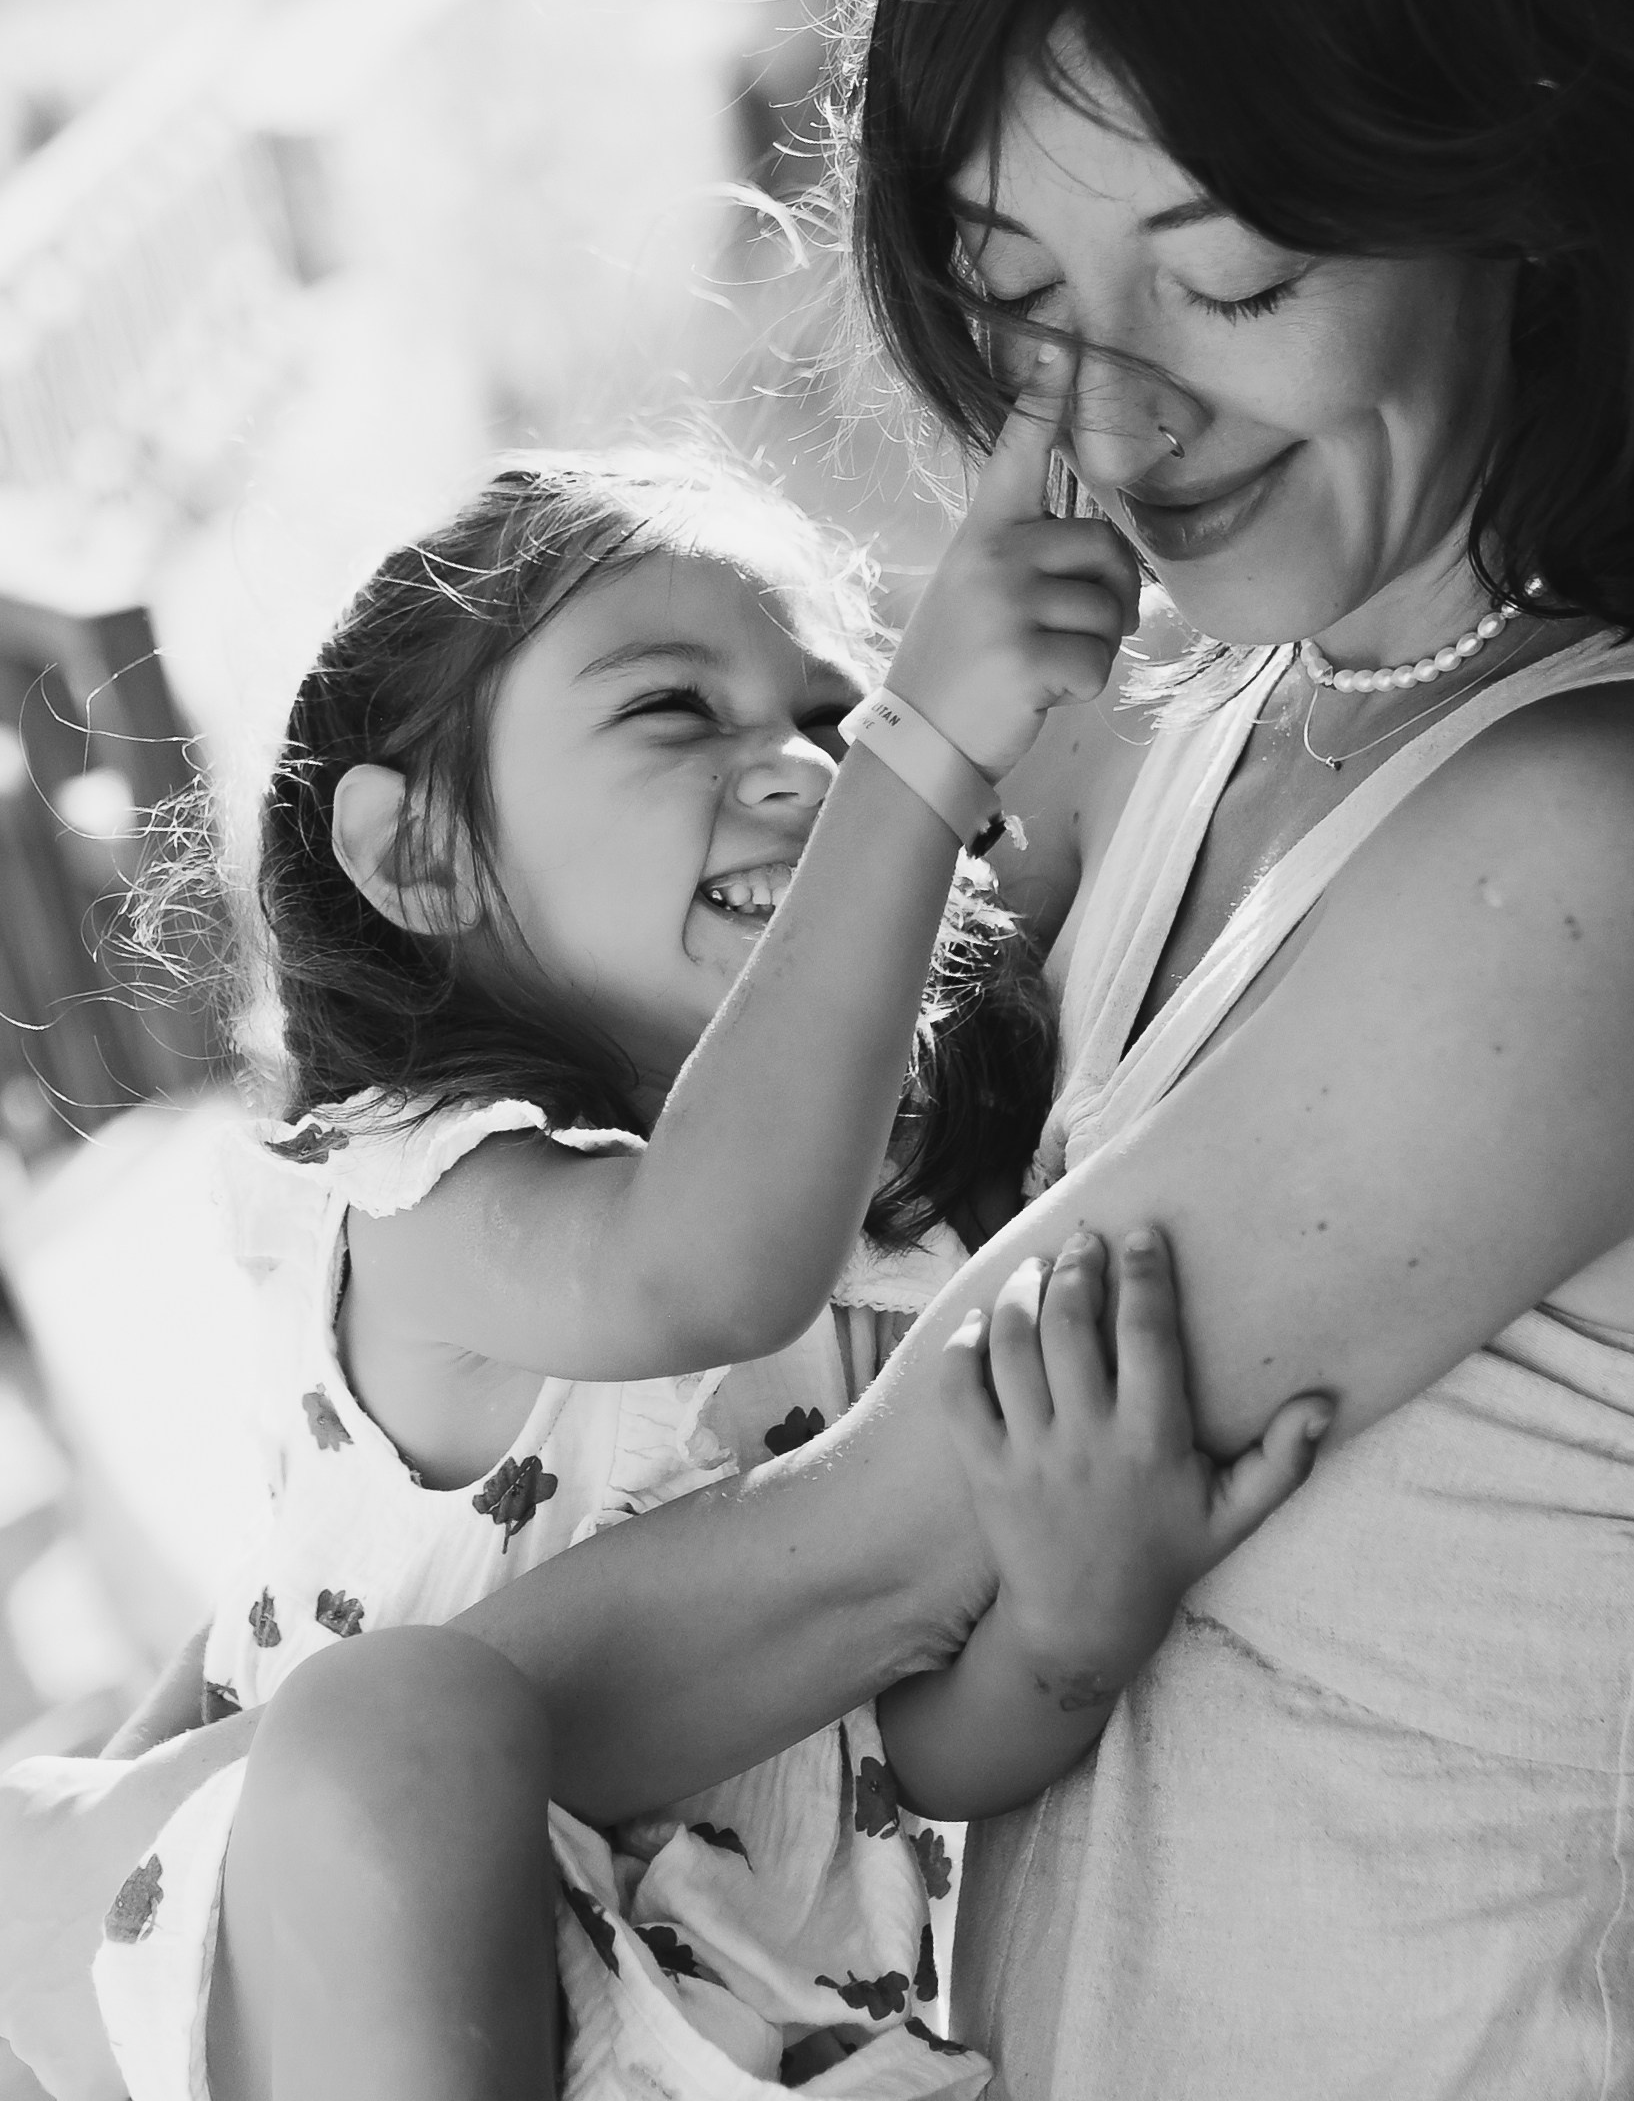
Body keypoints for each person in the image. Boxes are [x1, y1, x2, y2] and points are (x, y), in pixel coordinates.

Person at [11, 0, 1634, 2099]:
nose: (1110, 413)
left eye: (1221, 282)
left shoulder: (1612, 849)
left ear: (1522, 184)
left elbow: (846, 1563)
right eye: (1018, 289)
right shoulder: (1246, 718)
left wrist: (105, 1868)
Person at [41, 445, 1323, 2101]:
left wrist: (1072, 1625)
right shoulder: (425, 1192)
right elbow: (700, 1267)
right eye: (673, 711)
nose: (805, 767)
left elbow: (897, 1758)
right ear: (416, 855)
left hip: (708, 2047)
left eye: (831, 713)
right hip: (338, 1992)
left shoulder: (881, 1268)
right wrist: (919, 752)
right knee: (397, 1729)